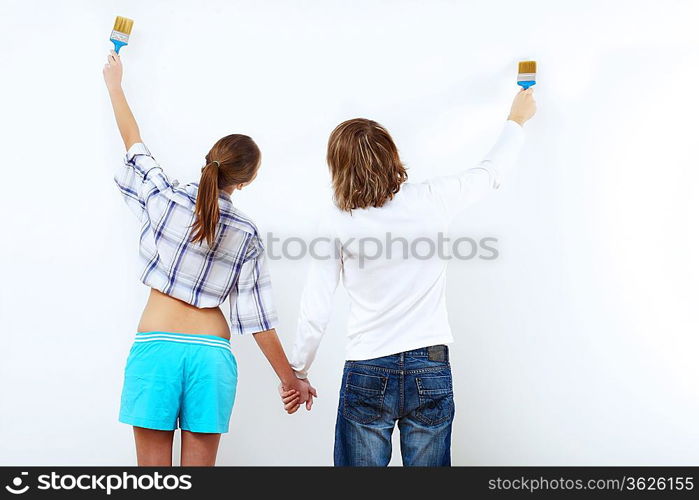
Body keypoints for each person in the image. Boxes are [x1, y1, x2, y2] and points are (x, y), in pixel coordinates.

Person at [283, 88, 536, 466]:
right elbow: (490, 172)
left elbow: (315, 309)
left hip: (367, 366)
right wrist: (516, 120)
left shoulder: (334, 221)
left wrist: (298, 371)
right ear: (391, 156)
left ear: (337, 166)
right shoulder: (433, 199)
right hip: (430, 364)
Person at [103, 50, 314, 466]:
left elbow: (135, 143)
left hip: (156, 348)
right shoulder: (247, 234)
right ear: (247, 179)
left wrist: (115, 83)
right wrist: (292, 380)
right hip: (210, 355)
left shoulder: (165, 198)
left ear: (209, 160)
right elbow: (258, 321)